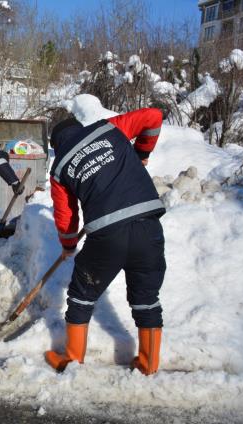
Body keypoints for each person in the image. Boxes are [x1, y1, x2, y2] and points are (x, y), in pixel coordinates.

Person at [45, 108, 166, 376]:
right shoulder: (109, 128)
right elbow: (153, 117)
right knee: (146, 297)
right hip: (149, 228)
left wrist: (68, 245)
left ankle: (73, 360)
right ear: (78, 127)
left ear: (56, 145)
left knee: (81, 297)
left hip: (107, 237)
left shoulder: (60, 167)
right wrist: (143, 153)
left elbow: (66, 215)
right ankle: (148, 365)